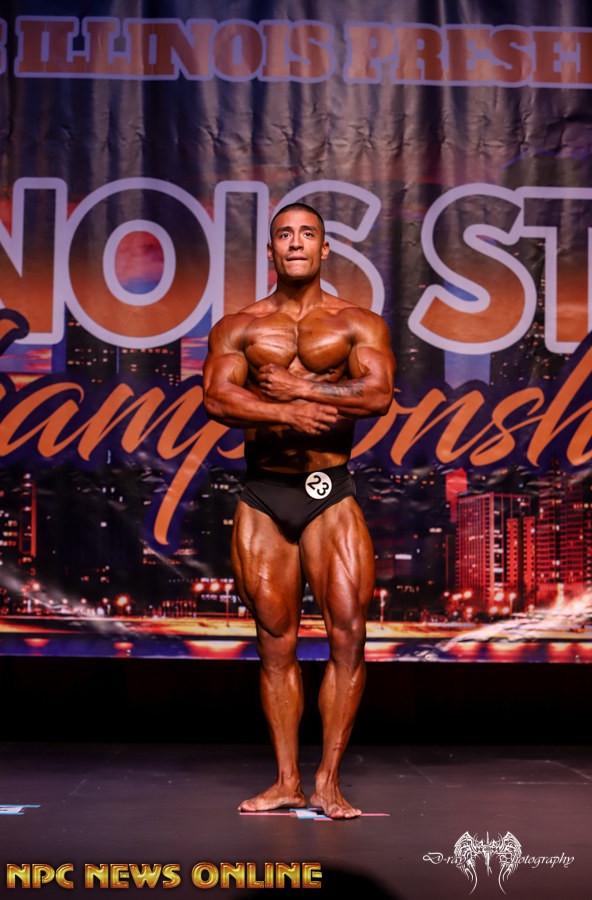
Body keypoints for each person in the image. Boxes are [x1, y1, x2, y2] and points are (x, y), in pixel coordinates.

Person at [202, 202, 395, 819]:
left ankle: (328, 782)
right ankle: (286, 781)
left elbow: (379, 394)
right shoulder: (240, 326)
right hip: (264, 492)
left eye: (306, 234)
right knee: (275, 641)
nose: (295, 243)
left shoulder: (357, 322)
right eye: (284, 235)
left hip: (327, 489)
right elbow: (217, 398)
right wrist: (285, 411)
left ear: (324, 248)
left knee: (349, 635)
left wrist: (303, 386)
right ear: (270, 251)